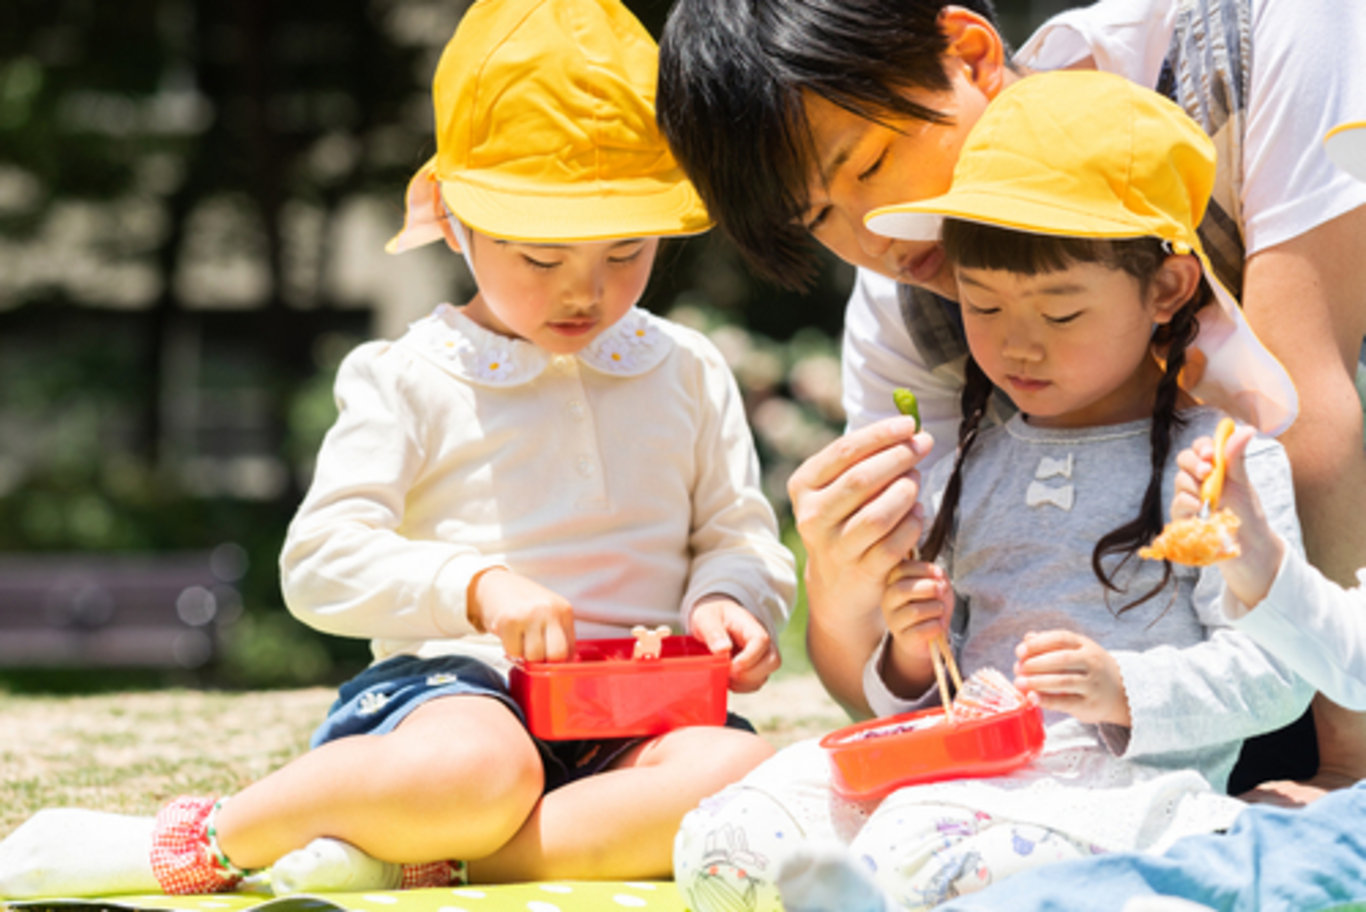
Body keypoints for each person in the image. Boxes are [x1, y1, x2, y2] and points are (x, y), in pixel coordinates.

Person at [0, 0, 796, 899]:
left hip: (639, 705)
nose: (588, 291)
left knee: (745, 771)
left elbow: (737, 531)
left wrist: (732, 599)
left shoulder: (684, 368)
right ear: (453, 218)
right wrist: (473, 588)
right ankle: (209, 838)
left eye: (626, 250)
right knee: (483, 776)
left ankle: (415, 853)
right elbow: (318, 562)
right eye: (540, 258)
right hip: (456, 694)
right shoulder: (408, 376)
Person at [656, 0, 1366, 800]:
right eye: (818, 215)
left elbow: (1302, 405)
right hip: (1091, 753)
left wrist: (1343, 774)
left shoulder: (1261, 36)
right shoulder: (902, 304)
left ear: (969, 54)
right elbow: (887, 687)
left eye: (869, 165)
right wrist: (845, 576)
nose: (874, 240)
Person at [869, 393, 1366, 912]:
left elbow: (1278, 674)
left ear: (1165, 305)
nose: (1019, 340)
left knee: (960, 875)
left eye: (1063, 315)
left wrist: (1122, 690)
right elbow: (936, 696)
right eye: (985, 308)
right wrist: (913, 649)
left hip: (1131, 799)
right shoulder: (965, 468)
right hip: (968, 789)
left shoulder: (1216, 457)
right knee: (820, 820)